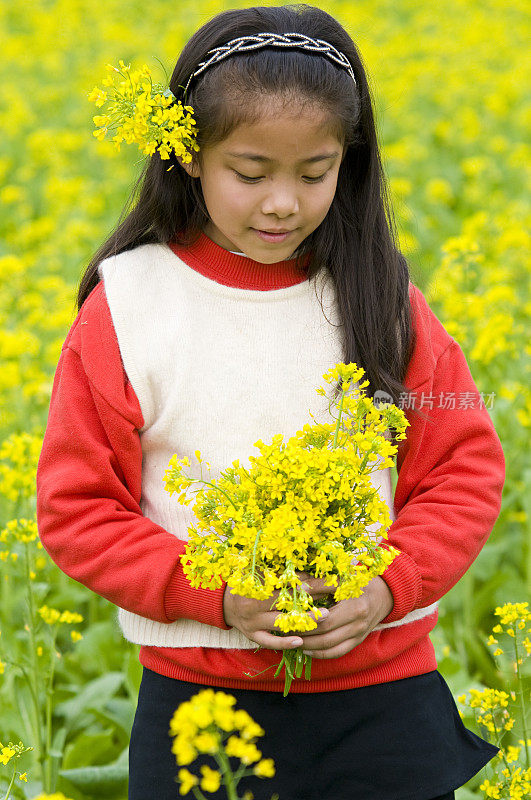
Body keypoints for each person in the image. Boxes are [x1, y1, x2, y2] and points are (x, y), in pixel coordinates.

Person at [36, 4, 505, 799]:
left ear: (346, 163)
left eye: (314, 173)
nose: (282, 203)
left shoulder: (378, 295)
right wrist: (215, 593)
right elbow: (78, 508)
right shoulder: (130, 306)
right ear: (187, 155)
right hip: (197, 697)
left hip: (382, 699)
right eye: (250, 174)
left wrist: (386, 584)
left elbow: (461, 466)